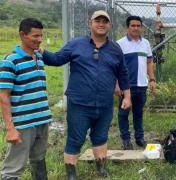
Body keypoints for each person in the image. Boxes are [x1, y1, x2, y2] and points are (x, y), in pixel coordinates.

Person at [40, 10, 131, 179]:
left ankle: (101, 168)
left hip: (104, 104)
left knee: (101, 136)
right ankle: (71, 173)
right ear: (90, 24)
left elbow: (123, 74)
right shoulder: (76, 44)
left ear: (110, 25)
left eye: (105, 21)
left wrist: (127, 96)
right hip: (79, 104)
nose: (101, 24)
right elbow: (57, 59)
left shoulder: (115, 49)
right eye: (98, 21)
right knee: (75, 138)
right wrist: (40, 50)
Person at [0, 18, 52, 180]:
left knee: (38, 159)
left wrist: (45, 117)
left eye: (41, 35)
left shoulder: (39, 57)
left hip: (41, 121)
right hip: (23, 124)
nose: (40, 40)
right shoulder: (10, 61)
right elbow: (3, 96)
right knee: (13, 168)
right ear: (22, 35)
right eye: (35, 36)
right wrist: (10, 128)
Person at [115, 16, 156, 150]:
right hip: (126, 86)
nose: (136, 28)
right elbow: (115, 66)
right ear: (128, 27)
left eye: (138, 26)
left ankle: (139, 138)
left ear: (141, 27)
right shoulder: (120, 44)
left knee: (138, 113)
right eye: (133, 25)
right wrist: (116, 84)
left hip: (141, 85)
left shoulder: (146, 43)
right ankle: (126, 140)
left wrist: (152, 80)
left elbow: (149, 62)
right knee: (123, 114)